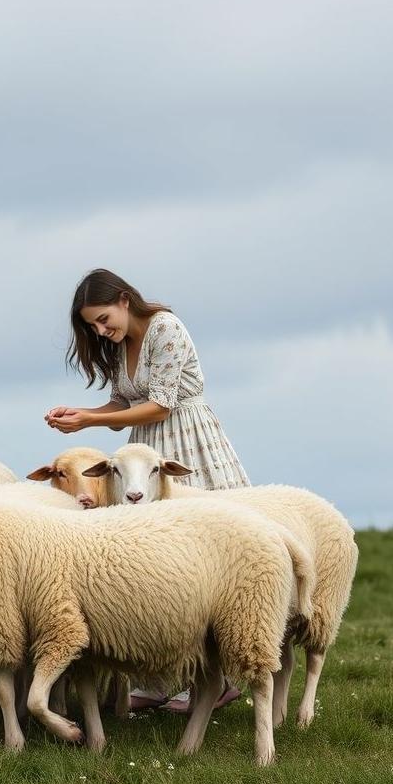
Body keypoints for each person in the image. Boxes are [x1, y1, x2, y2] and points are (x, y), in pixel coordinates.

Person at [45, 268, 249, 712]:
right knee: (156, 559)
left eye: (103, 319)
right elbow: (123, 403)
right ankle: (163, 678)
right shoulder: (121, 347)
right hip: (144, 448)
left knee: (202, 550)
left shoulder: (165, 328)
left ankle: (217, 677)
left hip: (184, 439)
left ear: (123, 299)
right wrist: (80, 413)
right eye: (93, 326)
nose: (102, 330)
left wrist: (93, 423)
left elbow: (161, 404)